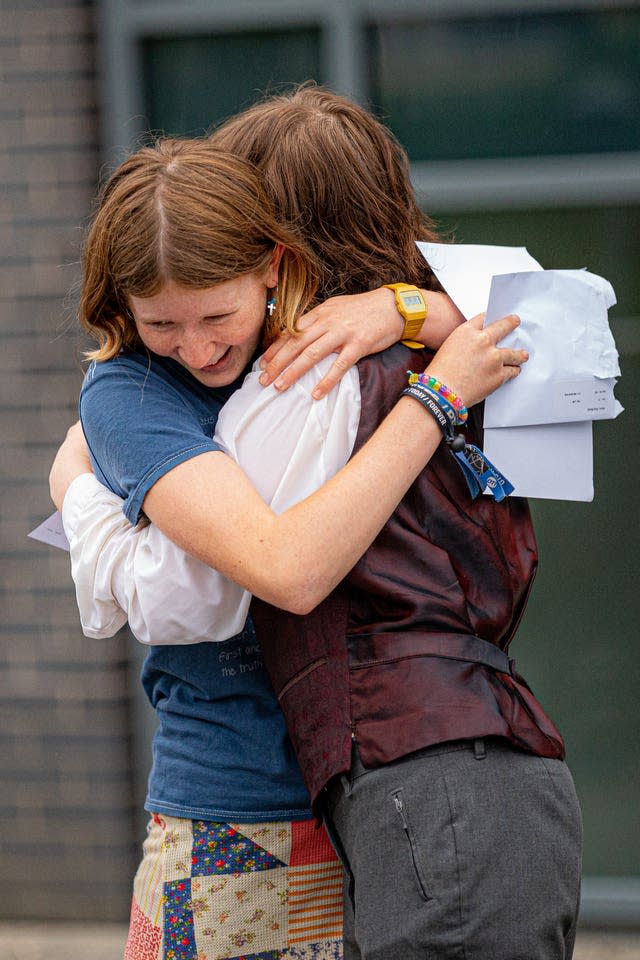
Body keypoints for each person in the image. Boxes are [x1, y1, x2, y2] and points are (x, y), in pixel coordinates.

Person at [49, 123, 526, 960]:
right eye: (162, 322)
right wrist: (438, 396)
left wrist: (404, 306)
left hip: (381, 797)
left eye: (216, 315)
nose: (196, 348)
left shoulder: (318, 350)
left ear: (274, 264)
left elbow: (554, 319)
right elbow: (277, 572)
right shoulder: (139, 390)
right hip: (240, 811)